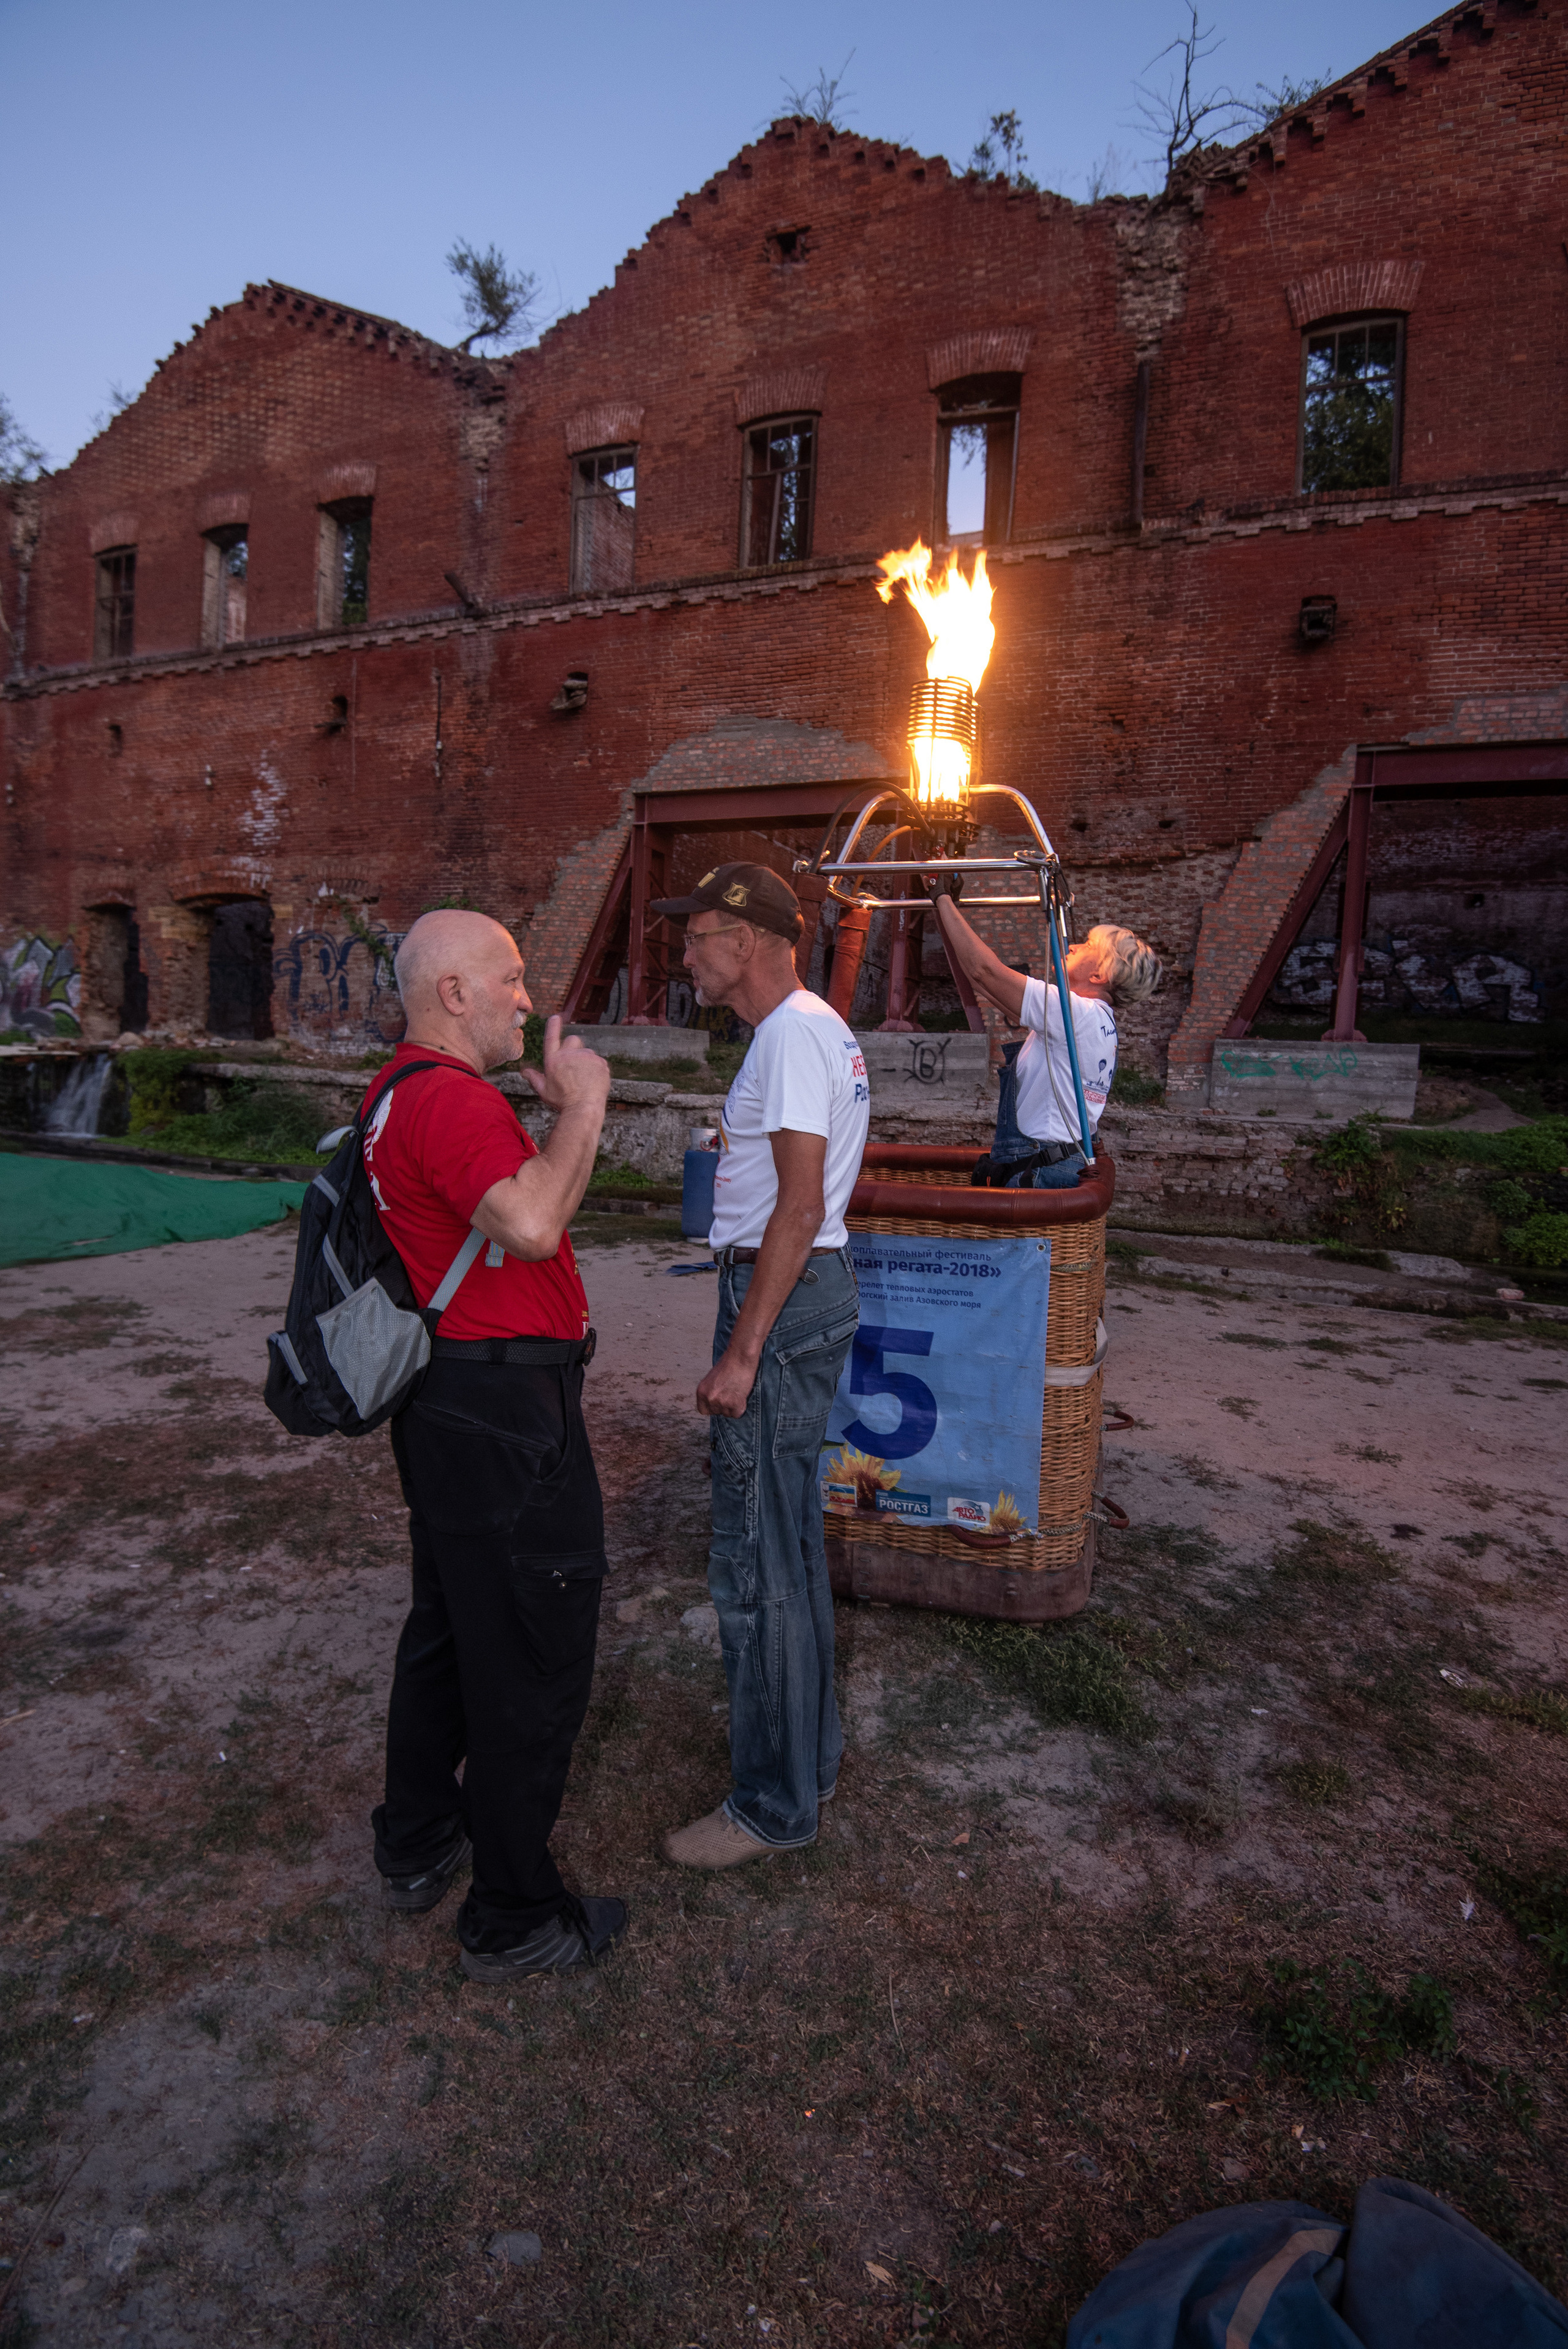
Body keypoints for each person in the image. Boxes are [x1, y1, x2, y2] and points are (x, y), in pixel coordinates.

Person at [363, 907, 627, 1982]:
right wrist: (589, 1105)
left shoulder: (396, 1091)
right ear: (454, 994)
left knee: (450, 1628)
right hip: (503, 1417)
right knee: (529, 1654)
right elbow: (530, 1222)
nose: (529, 997)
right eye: (510, 979)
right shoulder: (446, 1097)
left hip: (457, 1407)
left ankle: (419, 1834)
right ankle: (515, 1911)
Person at [647, 863, 870, 1869]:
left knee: (757, 1565)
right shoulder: (812, 1028)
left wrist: (743, 1352)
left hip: (778, 1303)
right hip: (807, 1292)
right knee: (794, 1551)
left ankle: (771, 1804)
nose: (684, 954)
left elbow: (798, 1204)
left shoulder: (786, 1035)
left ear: (747, 936)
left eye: (696, 936)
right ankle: (808, 1762)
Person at [924, 879, 1162, 1185]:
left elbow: (985, 971)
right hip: (1058, 1160)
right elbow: (983, 982)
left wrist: (940, 895)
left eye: (1088, 946)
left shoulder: (1074, 1012)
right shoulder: (1099, 1021)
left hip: (1039, 1166)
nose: (1073, 946)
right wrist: (948, 907)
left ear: (1100, 974)